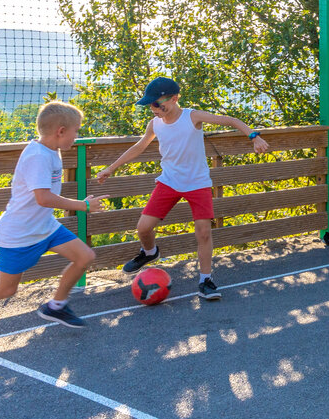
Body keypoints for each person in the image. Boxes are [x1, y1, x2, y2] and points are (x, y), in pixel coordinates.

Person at [0, 101, 96, 349]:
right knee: (6, 289)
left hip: (46, 227)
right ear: (61, 131)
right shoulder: (37, 156)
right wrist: (83, 205)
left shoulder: (51, 150)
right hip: (19, 235)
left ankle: (55, 306)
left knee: (84, 256)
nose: (78, 136)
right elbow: (42, 197)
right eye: (77, 130)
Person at [95, 77, 269, 301]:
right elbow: (139, 147)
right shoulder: (154, 124)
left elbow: (231, 120)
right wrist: (110, 168)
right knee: (143, 228)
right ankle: (150, 253)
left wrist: (254, 137)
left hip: (197, 183)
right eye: (150, 105)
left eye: (157, 104)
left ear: (174, 98)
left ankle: (205, 280)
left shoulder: (192, 117)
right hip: (169, 182)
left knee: (203, 233)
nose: (153, 109)